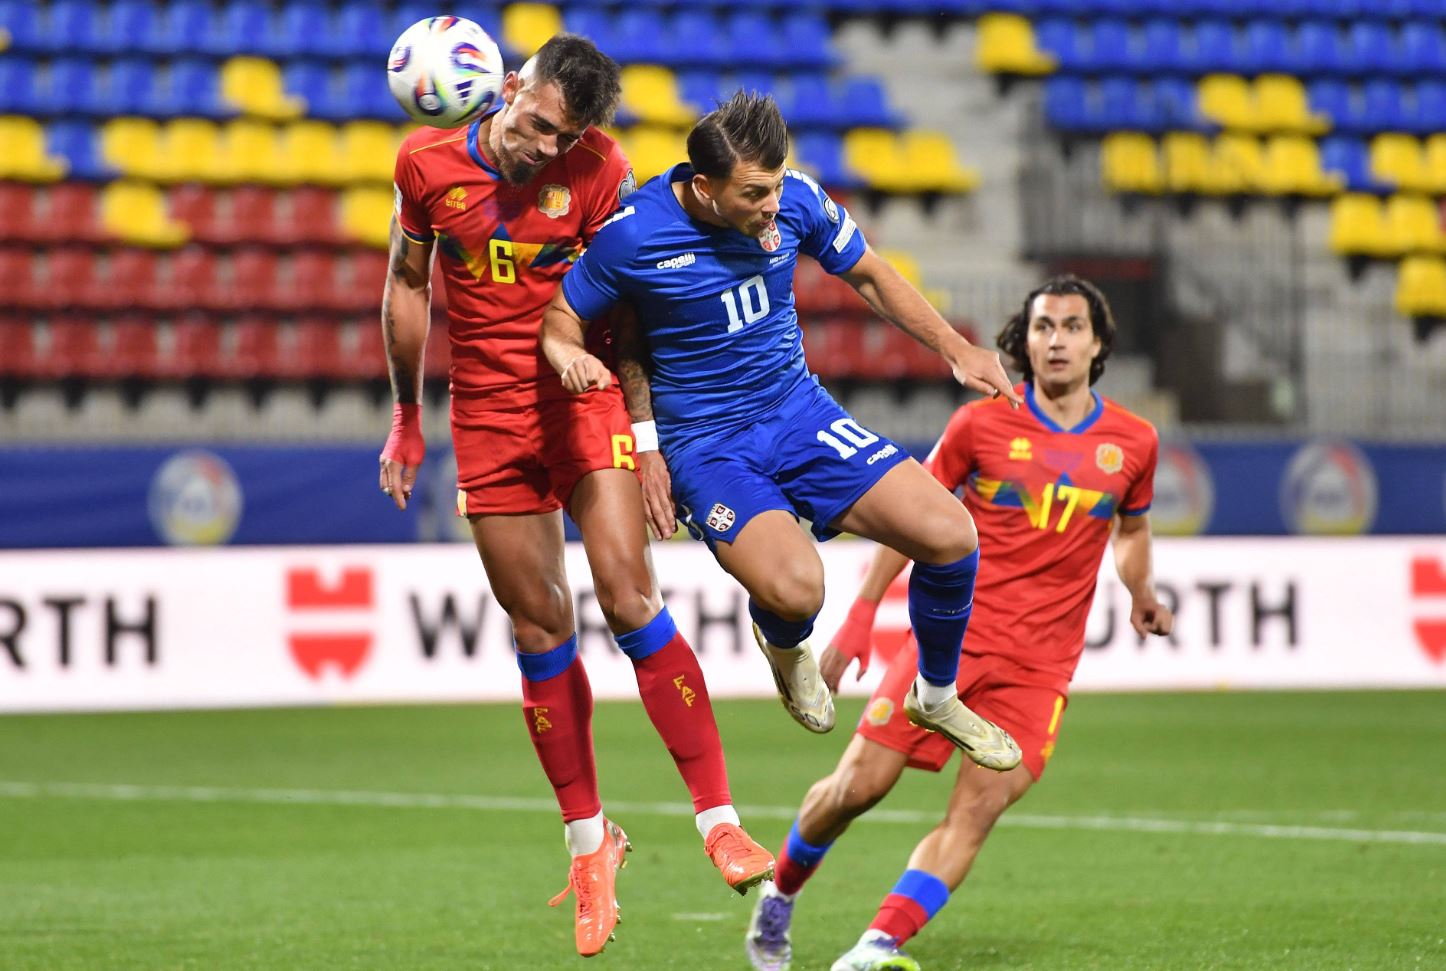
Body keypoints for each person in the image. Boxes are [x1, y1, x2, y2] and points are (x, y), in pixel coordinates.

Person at [376, 36, 773, 959]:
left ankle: (719, 818)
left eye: (568, 138)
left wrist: (642, 435)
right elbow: (405, 284)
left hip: (583, 396)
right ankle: (592, 845)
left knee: (633, 600)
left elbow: (629, 309)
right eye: (541, 128)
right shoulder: (424, 163)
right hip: (488, 416)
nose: (548, 151)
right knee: (539, 629)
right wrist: (404, 414)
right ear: (510, 90)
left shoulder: (600, 168)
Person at [539, 91, 1023, 775]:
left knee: (952, 536)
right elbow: (560, 316)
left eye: (775, 185)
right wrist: (568, 356)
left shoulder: (794, 198)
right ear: (703, 187)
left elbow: (871, 275)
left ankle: (936, 696)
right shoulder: (634, 235)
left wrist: (955, 349)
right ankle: (786, 644)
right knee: (799, 588)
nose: (771, 205)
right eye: (754, 192)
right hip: (707, 445)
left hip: (799, 412)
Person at [743, 274, 1175, 971]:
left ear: (1098, 344)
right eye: (1043, 326)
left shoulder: (1134, 441)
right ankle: (782, 891)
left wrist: (1141, 588)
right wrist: (858, 620)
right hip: (953, 643)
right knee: (859, 787)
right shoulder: (981, 423)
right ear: (1024, 340)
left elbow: (1132, 528)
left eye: (1071, 327)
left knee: (975, 813)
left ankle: (875, 945)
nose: (1056, 340)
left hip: (1040, 668)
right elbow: (905, 518)